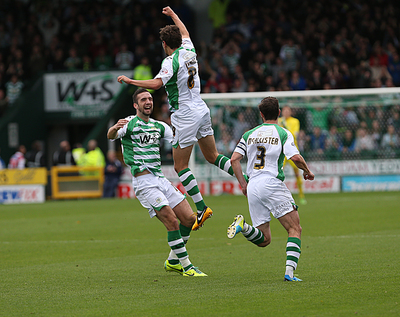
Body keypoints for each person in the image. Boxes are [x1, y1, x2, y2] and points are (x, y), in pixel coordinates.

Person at [117, 6, 246, 231]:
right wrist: (173, 15)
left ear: (165, 44)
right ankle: (247, 180)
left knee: (180, 166)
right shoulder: (189, 48)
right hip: (201, 108)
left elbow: (157, 84)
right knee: (213, 155)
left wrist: (131, 81)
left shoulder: (170, 61)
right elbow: (185, 33)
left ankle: (201, 207)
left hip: (185, 114)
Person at [107, 88, 207, 277]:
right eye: (143, 99)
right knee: (172, 221)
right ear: (136, 105)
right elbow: (111, 136)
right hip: (144, 182)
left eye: (150, 99)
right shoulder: (129, 123)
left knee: (189, 219)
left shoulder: (160, 126)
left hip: (160, 179)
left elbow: (178, 140)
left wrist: (192, 129)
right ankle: (187, 267)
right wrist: (113, 130)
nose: (148, 102)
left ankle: (172, 261)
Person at [227, 97, 314, 282]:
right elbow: (296, 158)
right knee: (295, 228)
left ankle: (243, 227)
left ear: (261, 114)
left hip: (253, 186)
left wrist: (243, 184)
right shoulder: (283, 133)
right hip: (271, 183)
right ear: (279, 112)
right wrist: (307, 171)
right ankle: (290, 273)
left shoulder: (248, 134)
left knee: (264, 239)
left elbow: (234, 159)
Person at [278, 106, 307, 204]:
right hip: (281, 151)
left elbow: (294, 134)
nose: (286, 112)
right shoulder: (278, 121)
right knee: (278, 173)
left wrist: (285, 127)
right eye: (284, 110)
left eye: (288, 110)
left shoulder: (295, 121)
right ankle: (278, 196)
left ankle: (301, 195)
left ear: (290, 112)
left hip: (292, 151)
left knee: (297, 173)